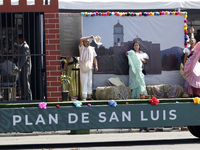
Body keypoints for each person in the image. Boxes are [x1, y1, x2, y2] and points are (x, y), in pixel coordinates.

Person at [79, 35, 98, 101]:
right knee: (84, 81)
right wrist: (89, 37)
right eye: (86, 41)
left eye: (88, 42)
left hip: (89, 68)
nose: (87, 43)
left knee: (89, 82)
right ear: (84, 43)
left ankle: (89, 96)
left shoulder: (91, 49)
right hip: (83, 68)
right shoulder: (81, 48)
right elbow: (81, 39)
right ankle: (84, 97)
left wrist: (96, 66)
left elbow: (94, 58)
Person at [14, 35, 32, 100]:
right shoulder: (22, 46)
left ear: (21, 39)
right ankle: (24, 96)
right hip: (23, 67)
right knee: (22, 82)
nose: (17, 41)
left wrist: (20, 66)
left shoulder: (25, 46)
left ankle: (29, 97)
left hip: (25, 67)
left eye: (18, 39)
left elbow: (24, 57)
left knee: (26, 82)